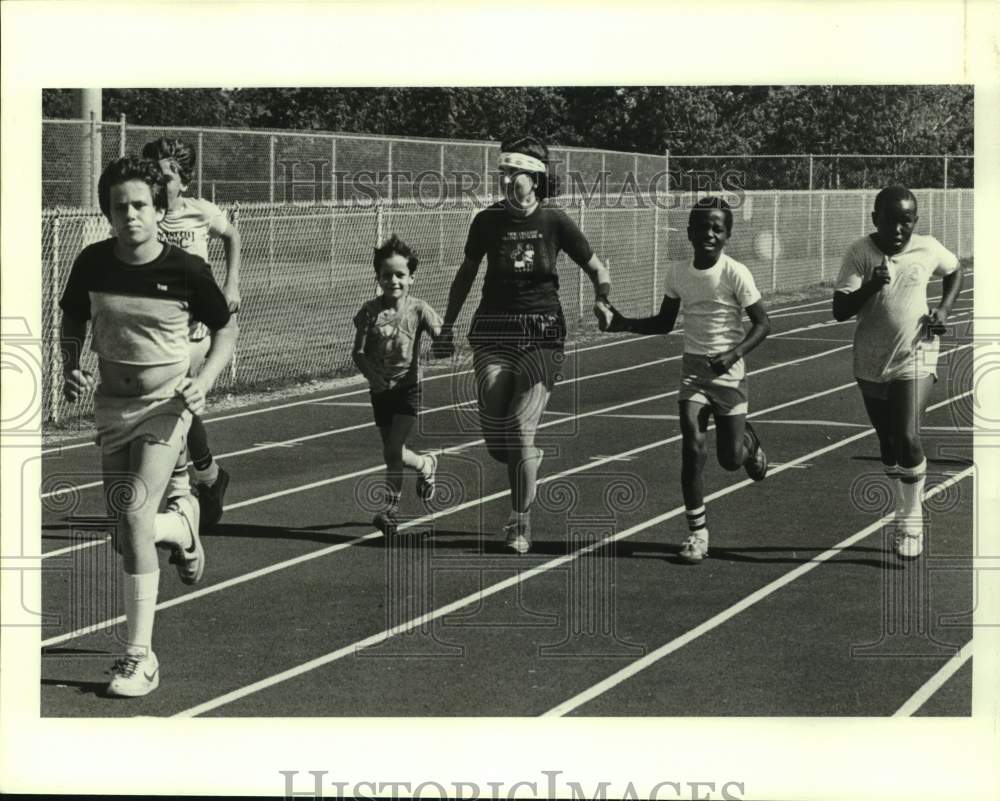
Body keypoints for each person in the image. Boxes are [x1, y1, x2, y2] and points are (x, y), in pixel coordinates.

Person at [60, 157, 236, 696]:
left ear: (159, 210)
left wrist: (203, 380)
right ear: (107, 213)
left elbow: (226, 330)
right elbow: (71, 317)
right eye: (120, 207)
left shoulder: (185, 269)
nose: (130, 215)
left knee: (135, 516)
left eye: (140, 205)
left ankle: (140, 658)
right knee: (124, 534)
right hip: (114, 407)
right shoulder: (92, 263)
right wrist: (69, 362)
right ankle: (182, 528)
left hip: (167, 406)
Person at [435, 136, 614, 554]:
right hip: (493, 333)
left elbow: (596, 266)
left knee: (519, 429)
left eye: (513, 173)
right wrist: (446, 325)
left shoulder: (555, 222)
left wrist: (602, 299)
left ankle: (519, 523)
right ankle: (526, 457)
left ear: (534, 178)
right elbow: (465, 273)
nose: (505, 180)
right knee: (501, 446)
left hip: (543, 334)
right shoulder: (486, 221)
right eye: (501, 173)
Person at [606, 196, 769, 564]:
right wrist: (622, 322)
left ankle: (749, 442)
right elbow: (664, 323)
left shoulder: (735, 273)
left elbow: (763, 324)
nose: (709, 234)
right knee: (692, 450)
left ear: (727, 235)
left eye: (718, 228)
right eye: (703, 227)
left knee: (730, 460)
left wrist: (732, 354)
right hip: (694, 372)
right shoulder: (678, 272)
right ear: (689, 232)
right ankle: (697, 535)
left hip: (729, 373)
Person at [833, 185, 962, 558]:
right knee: (889, 447)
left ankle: (910, 520)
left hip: (916, 353)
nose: (898, 229)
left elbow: (955, 272)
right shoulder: (859, 253)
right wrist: (870, 286)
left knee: (907, 435)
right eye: (890, 221)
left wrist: (943, 310)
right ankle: (903, 482)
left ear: (915, 222)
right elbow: (840, 310)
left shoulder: (928, 247)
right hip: (872, 361)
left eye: (906, 221)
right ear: (876, 219)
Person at [140, 137, 242, 531]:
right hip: (156, 328)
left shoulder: (202, 213)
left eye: (165, 177)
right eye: (152, 176)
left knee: (174, 397)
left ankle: (183, 491)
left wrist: (231, 285)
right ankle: (209, 476)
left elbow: (232, 236)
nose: (157, 184)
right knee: (181, 404)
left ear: (183, 181)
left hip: (195, 330)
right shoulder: (144, 216)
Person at [353, 235, 445, 536]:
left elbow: (441, 335)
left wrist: (445, 341)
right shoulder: (369, 311)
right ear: (377, 277)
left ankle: (390, 512)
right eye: (386, 275)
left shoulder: (419, 309)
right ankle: (425, 465)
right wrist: (373, 377)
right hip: (381, 391)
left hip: (408, 388)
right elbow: (358, 353)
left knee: (392, 450)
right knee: (393, 452)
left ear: (412, 278)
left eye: (400, 275)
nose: (393, 280)